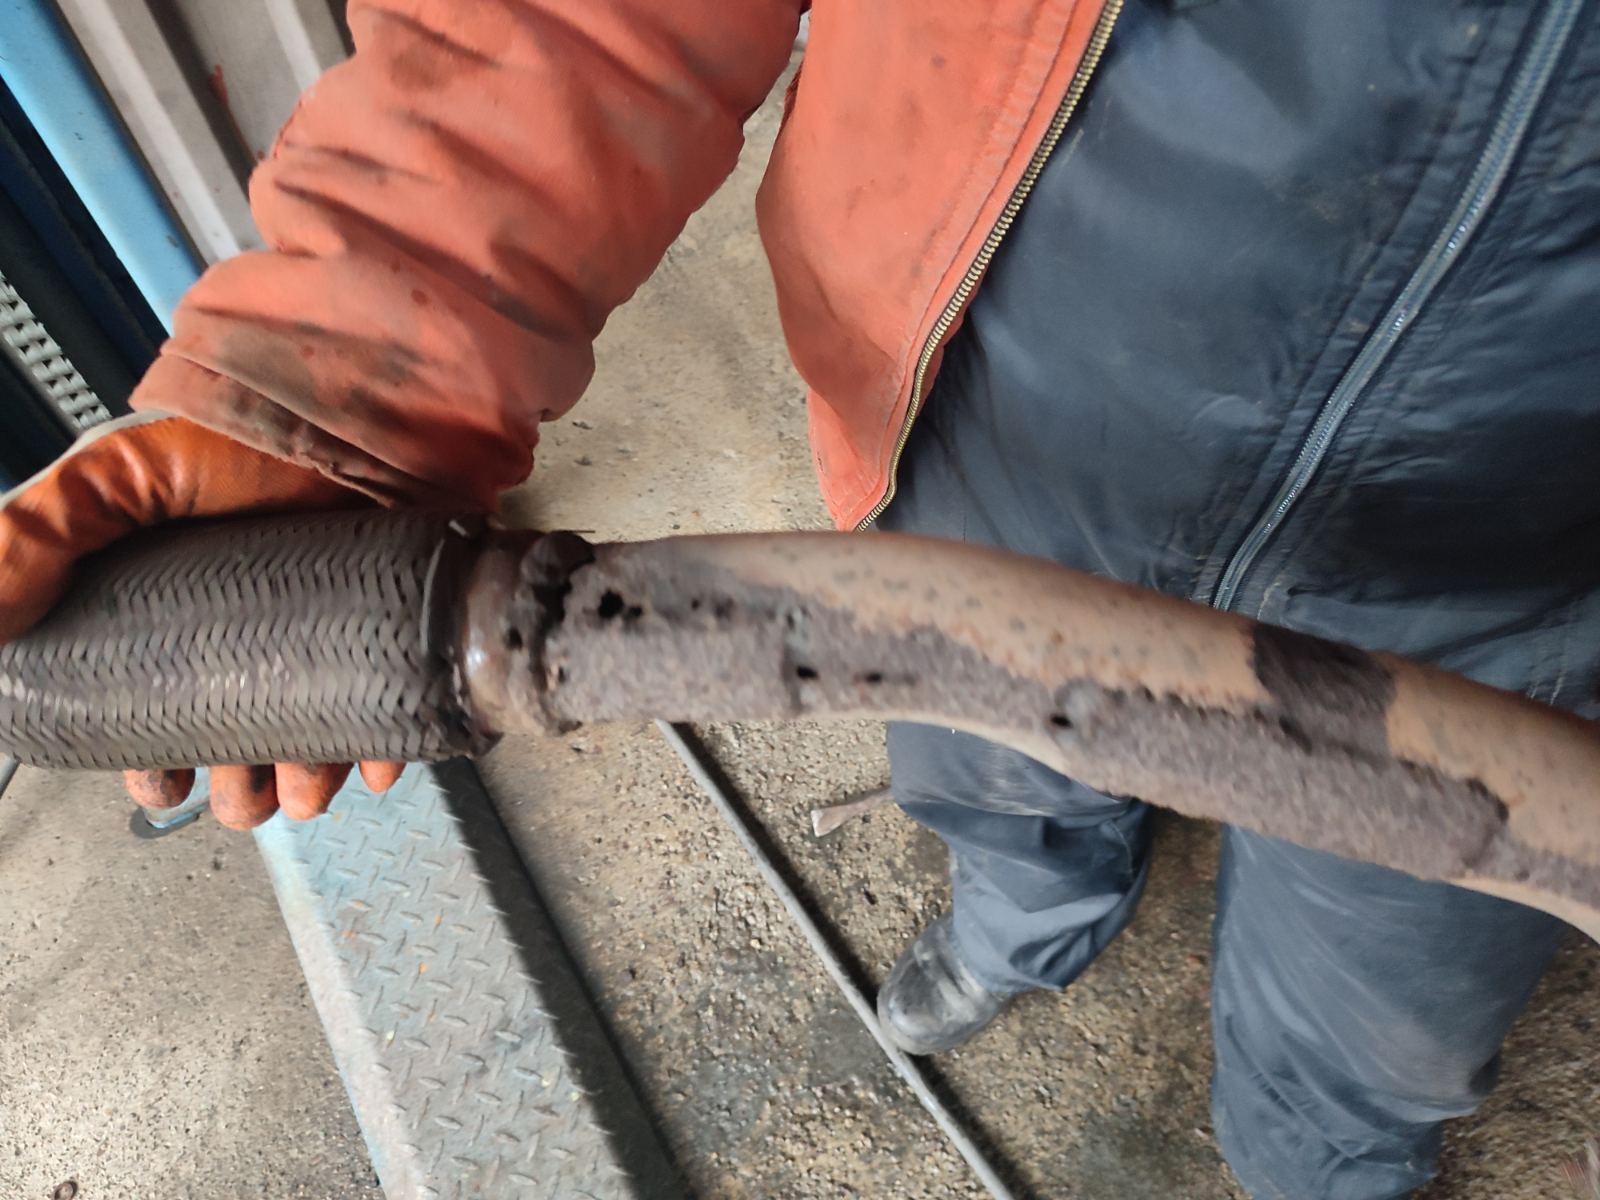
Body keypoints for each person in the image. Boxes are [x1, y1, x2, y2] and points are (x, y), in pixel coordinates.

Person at [1, 1, 1595, 1195]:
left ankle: (1314, 1160)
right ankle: (1026, 925)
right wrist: (342, 373)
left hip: (1515, 584)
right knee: (989, 778)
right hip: (991, 423)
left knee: (1380, 997)